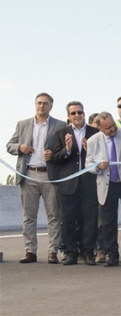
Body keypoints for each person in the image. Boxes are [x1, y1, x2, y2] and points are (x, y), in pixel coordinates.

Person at [6, 93, 67, 264]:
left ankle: (52, 251)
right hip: (28, 174)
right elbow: (9, 146)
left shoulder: (60, 125)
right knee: (29, 216)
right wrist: (20, 147)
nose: (42, 106)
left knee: (54, 215)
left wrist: (53, 155)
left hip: (50, 175)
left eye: (45, 104)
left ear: (51, 106)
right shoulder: (23, 125)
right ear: (35, 105)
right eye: (39, 103)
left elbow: (65, 151)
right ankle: (30, 251)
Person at [48, 101, 99, 266]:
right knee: (68, 219)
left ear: (84, 113)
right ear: (68, 116)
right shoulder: (60, 133)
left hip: (89, 182)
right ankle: (71, 253)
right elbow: (54, 158)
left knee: (89, 219)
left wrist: (88, 150)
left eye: (80, 112)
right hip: (68, 183)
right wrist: (67, 150)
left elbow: (101, 155)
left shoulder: (95, 132)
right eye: (73, 113)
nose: (77, 115)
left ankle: (88, 252)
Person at [85, 112, 121, 267]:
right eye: (108, 128)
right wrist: (98, 166)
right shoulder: (93, 141)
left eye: (113, 125)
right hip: (106, 184)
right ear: (100, 128)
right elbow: (88, 164)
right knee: (108, 221)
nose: (113, 129)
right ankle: (111, 254)